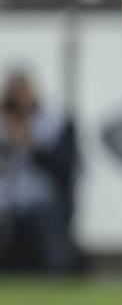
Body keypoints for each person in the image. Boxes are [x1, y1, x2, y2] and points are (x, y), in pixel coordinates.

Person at [0, 70, 80, 274]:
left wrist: (30, 144)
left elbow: (65, 167)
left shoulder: (54, 122)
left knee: (47, 223)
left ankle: (56, 270)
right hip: (8, 198)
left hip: (45, 197)